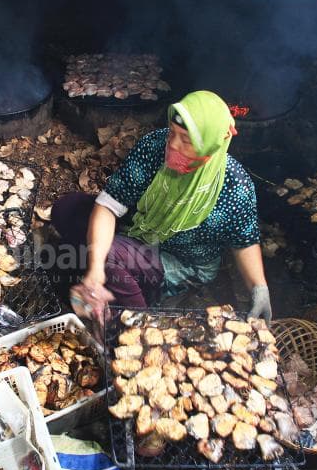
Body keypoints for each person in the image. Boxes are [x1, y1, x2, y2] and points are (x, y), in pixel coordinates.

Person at [51, 90, 271, 323]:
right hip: (140, 231)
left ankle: (141, 323)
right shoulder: (154, 146)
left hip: (181, 261)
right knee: (68, 209)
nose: (173, 145)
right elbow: (108, 206)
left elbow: (244, 241)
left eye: (186, 140)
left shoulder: (234, 185)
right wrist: (94, 272)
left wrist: (260, 290)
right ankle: (120, 275)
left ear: (210, 147)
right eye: (173, 133)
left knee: (111, 254)